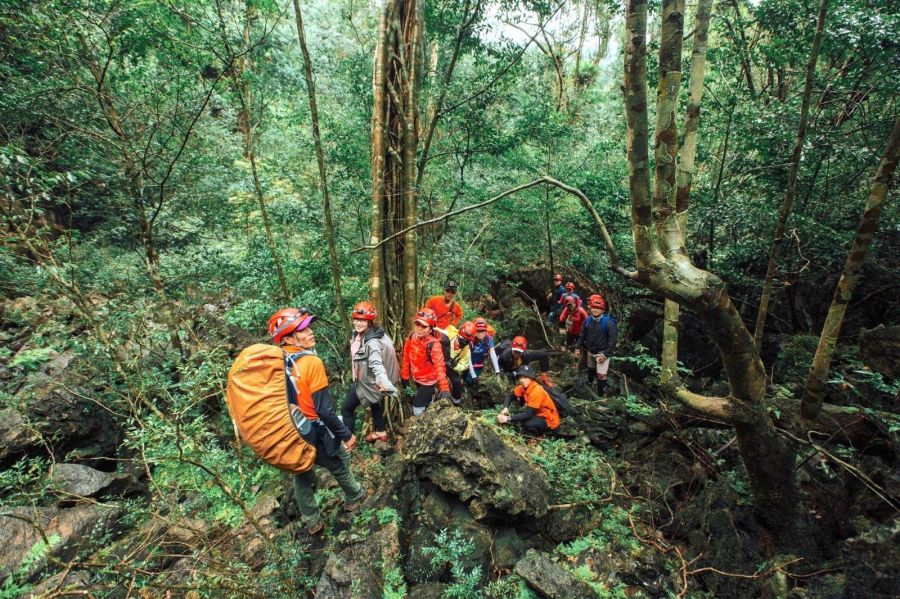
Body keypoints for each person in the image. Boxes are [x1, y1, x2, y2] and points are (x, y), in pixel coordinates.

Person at [267, 308, 365, 535]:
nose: (310, 332)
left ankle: (312, 522)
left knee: (301, 473)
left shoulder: (275, 363)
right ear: (288, 338)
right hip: (313, 429)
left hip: (289, 430)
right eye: (302, 329)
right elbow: (324, 411)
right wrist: (346, 435)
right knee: (339, 462)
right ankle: (355, 496)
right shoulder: (311, 363)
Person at [340, 301, 399, 444]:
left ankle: (349, 442)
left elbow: (376, 363)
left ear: (370, 321)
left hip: (370, 381)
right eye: (356, 319)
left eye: (362, 320)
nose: (358, 323)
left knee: (346, 409)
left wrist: (384, 381)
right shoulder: (369, 333)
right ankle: (381, 431)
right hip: (367, 379)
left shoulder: (372, 342)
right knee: (374, 402)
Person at [401, 307, 452, 415]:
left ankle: (421, 424)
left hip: (429, 381)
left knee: (417, 408)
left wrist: (445, 388)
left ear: (430, 328)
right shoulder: (411, 337)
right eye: (417, 324)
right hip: (416, 377)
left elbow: (440, 366)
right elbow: (406, 357)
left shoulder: (434, 345)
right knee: (425, 400)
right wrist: (405, 377)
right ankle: (431, 398)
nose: (419, 328)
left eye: (424, 326)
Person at [497, 365, 560, 435]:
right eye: (520, 377)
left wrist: (507, 418)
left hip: (549, 420)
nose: (522, 380)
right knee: (520, 418)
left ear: (531, 378)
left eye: (525, 377)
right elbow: (510, 396)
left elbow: (528, 414)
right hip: (538, 413)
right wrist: (505, 407)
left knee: (527, 424)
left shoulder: (536, 391)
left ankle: (539, 435)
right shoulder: (523, 387)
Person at [575, 294, 618, 396]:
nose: (596, 310)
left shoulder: (608, 323)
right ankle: (590, 384)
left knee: (601, 375)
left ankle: (600, 395)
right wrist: (577, 348)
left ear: (602, 310)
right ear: (590, 308)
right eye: (594, 308)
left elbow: (612, 341)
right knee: (591, 368)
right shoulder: (587, 321)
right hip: (590, 351)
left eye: (598, 308)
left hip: (602, 353)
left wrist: (605, 355)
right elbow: (582, 335)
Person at [465, 317, 501, 384]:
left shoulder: (488, 338)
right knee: (467, 379)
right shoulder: (470, 339)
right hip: (466, 362)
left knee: (471, 382)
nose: (480, 333)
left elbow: (492, 353)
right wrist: (473, 375)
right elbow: (467, 357)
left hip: (478, 364)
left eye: (482, 331)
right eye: (478, 331)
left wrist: (497, 370)